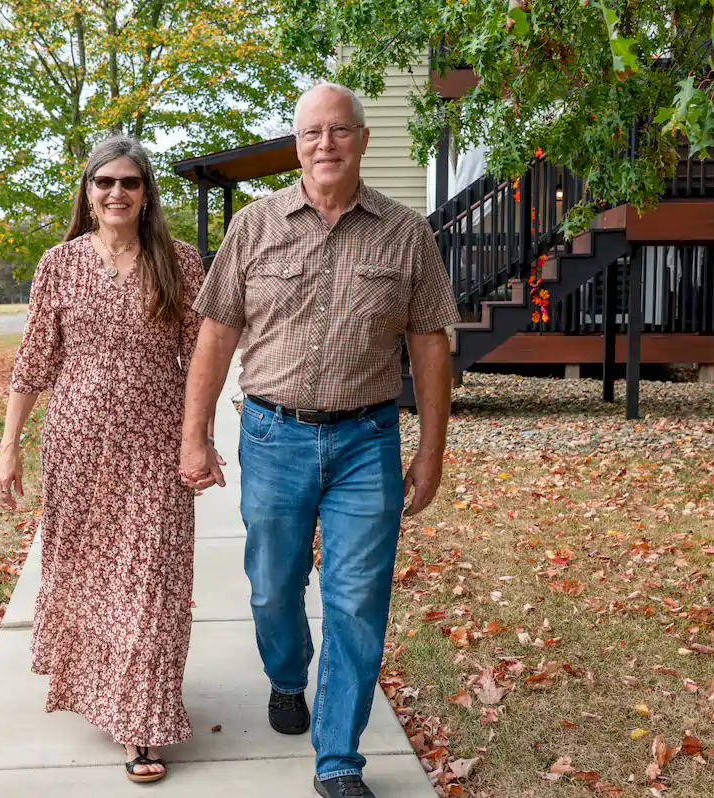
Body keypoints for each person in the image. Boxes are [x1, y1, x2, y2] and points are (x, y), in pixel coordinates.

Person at [178, 83, 460, 798]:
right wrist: (196, 435)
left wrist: (430, 450)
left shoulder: (406, 234)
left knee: (357, 600)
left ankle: (338, 759)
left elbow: (430, 344)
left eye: (339, 131)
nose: (325, 144)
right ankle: (284, 674)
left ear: (362, 139)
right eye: (311, 133)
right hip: (274, 437)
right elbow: (216, 335)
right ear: (296, 145)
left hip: (367, 443)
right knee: (273, 588)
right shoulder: (254, 225)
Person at [0, 134, 210, 785]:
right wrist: (10, 450)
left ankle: (141, 722)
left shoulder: (180, 262)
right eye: (104, 183)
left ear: (146, 194)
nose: (116, 193)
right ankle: (98, 689)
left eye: (129, 183)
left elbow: (206, 357)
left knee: (152, 581)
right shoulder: (58, 264)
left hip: (156, 445)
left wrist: (198, 434)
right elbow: (33, 362)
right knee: (88, 575)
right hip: (79, 447)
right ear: (87, 193)